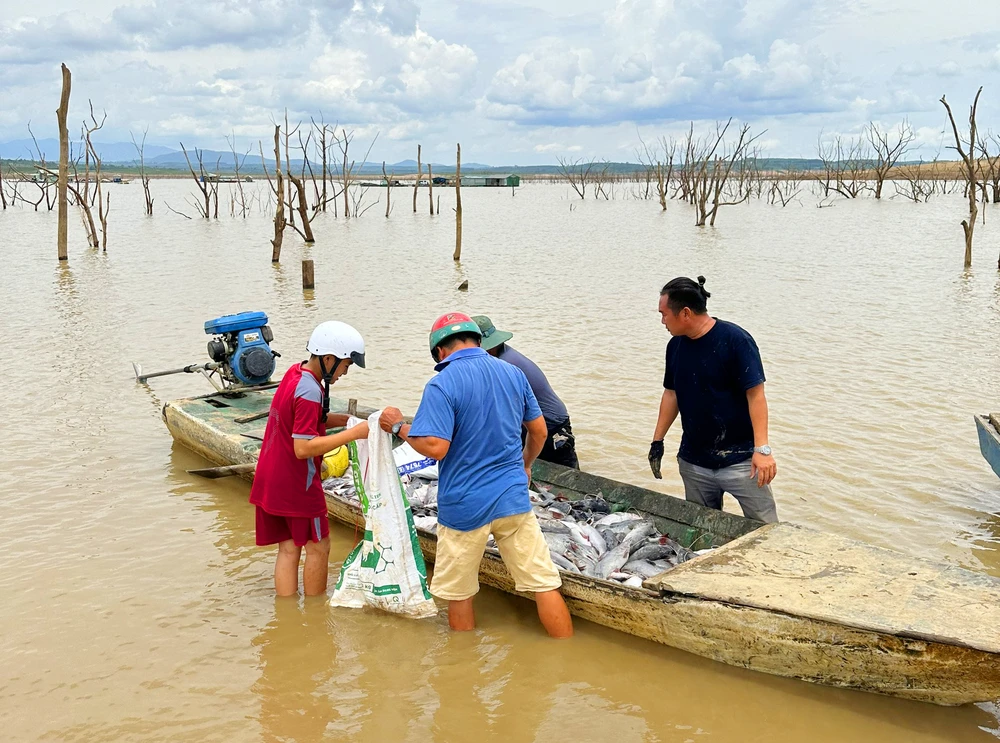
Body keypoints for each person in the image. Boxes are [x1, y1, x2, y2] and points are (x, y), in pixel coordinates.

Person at [378, 312, 573, 637]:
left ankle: (463, 673)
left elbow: (435, 447)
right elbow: (538, 431)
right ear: (478, 341)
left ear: (439, 351)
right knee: (544, 583)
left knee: (459, 593)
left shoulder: (442, 383)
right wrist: (525, 465)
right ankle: (566, 660)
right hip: (513, 501)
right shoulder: (512, 373)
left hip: (464, 509)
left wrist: (399, 426)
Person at [249, 321, 371, 596]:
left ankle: (290, 618)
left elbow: (302, 421)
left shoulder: (296, 374)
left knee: (289, 547)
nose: (344, 373)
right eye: (345, 365)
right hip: (297, 484)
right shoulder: (311, 391)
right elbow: (303, 448)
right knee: (318, 546)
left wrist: (345, 421)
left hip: (272, 475)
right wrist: (355, 434)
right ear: (329, 359)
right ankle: (316, 614)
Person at [649, 276, 779, 523]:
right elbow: (671, 393)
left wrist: (762, 450)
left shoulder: (736, 341)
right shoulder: (675, 346)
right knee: (702, 529)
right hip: (694, 461)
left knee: (765, 529)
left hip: (742, 461)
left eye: (664, 314)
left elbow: (756, 396)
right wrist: (658, 440)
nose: (662, 321)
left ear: (685, 313)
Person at [472, 315, 579, 469]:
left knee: (565, 477)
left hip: (551, 428)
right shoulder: (499, 356)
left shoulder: (504, 365)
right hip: (532, 425)